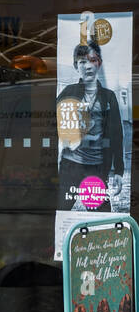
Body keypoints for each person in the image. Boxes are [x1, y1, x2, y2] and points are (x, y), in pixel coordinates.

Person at [57, 40, 125, 212]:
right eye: (82, 62)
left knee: (101, 216)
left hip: (96, 166)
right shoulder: (68, 93)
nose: (87, 66)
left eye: (93, 60)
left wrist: (118, 170)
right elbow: (54, 128)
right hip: (70, 164)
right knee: (60, 213)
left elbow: (117, 133)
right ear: (75, 66)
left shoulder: (108, 97)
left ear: (99, 64)